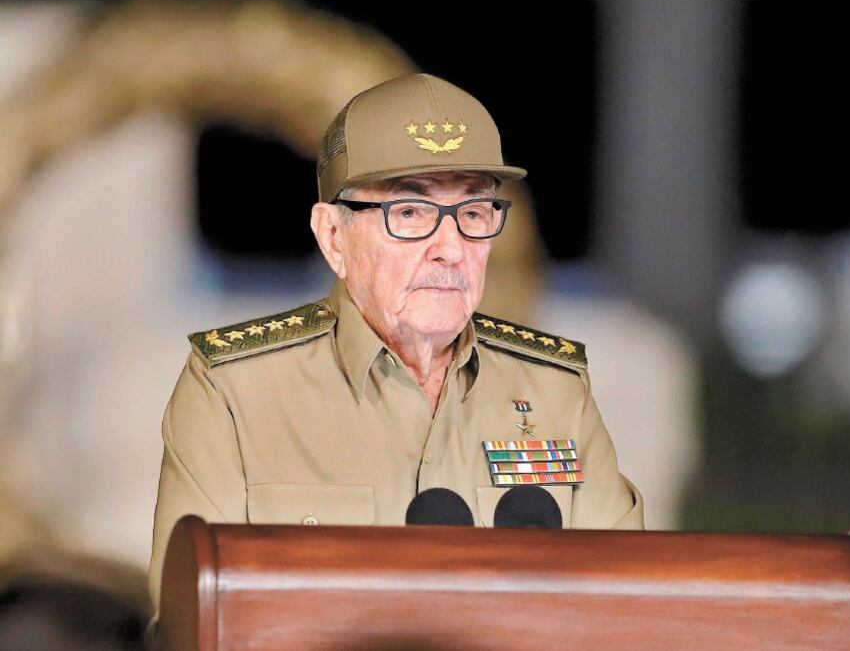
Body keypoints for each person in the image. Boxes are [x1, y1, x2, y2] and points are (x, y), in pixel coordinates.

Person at [148, 73, 643, 611]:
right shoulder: (235, 393)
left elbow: (631, 613)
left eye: (473, 213)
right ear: (333, 237)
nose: (450, 249)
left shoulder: (556, 392)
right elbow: (187, 623)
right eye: (410, 213)